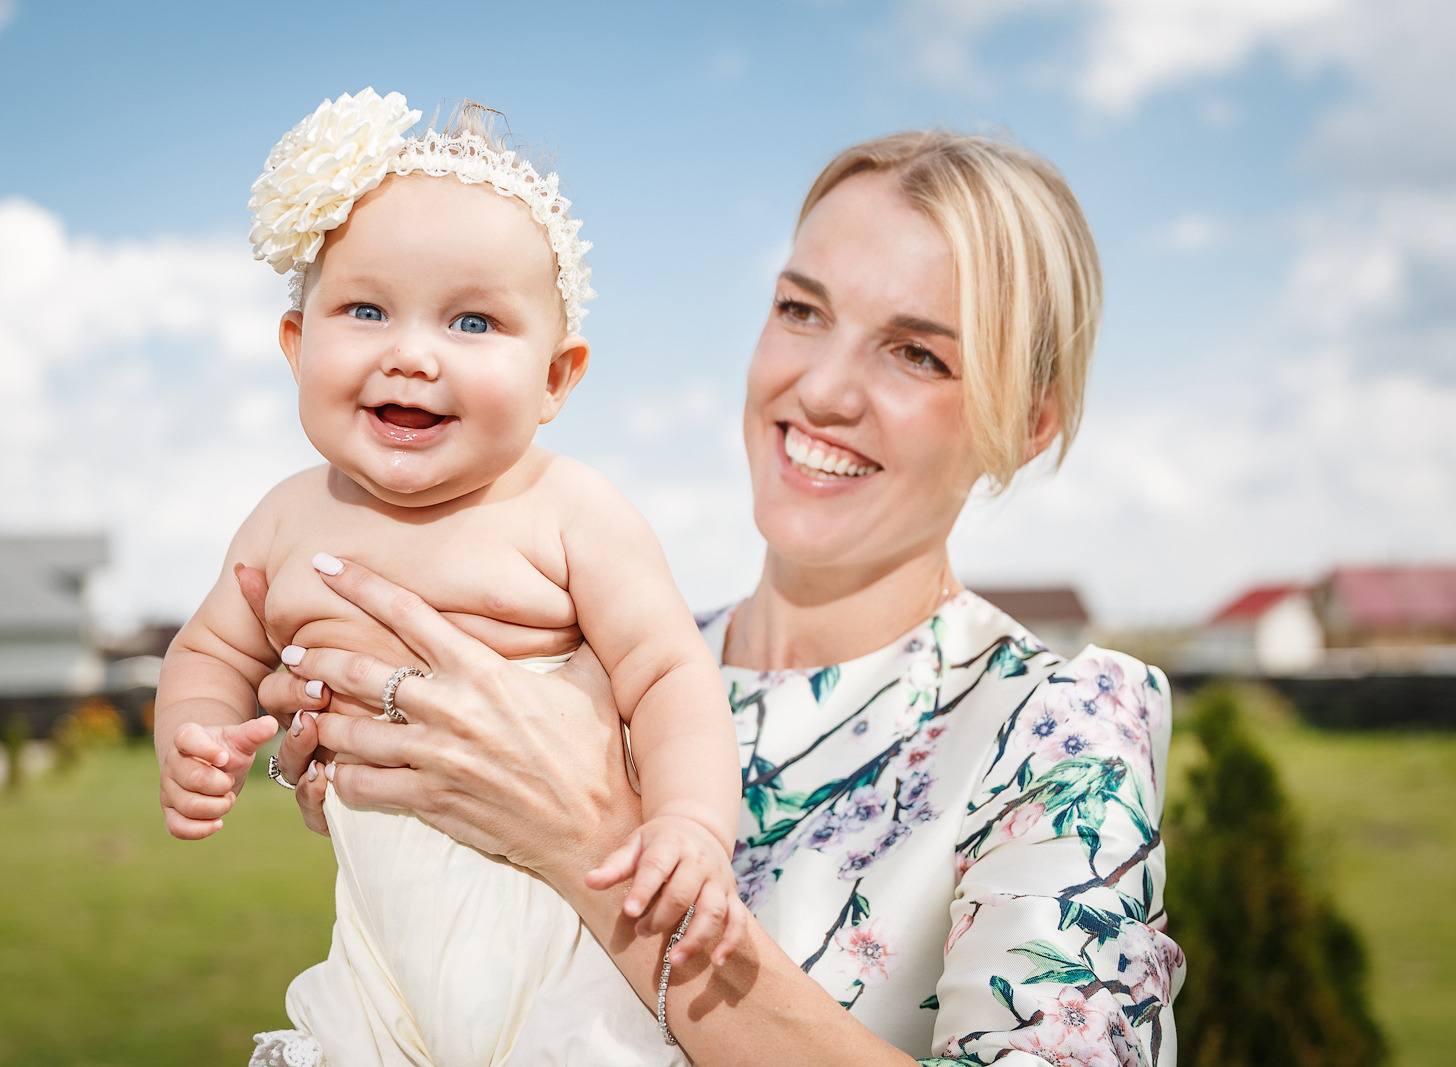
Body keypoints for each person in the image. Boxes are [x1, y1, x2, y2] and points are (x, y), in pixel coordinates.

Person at [252, 126, 1187, 1066]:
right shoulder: (610, 656)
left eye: (916, 354)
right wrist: (364, 766)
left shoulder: (1053, 735)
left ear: (1027, 426)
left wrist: (590, 846)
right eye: (801, 310)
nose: (822, 389)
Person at [151, 88, 744, 1067]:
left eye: (471, 321)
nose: (412, 352)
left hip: (567, 946)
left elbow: (672, 677)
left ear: (557, 376)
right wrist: (196, 731)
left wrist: (687, 821)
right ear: (298, 344)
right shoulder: (288, 515)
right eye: (367, 308)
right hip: (380, 963)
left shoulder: (569, 511)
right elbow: (210, 646)